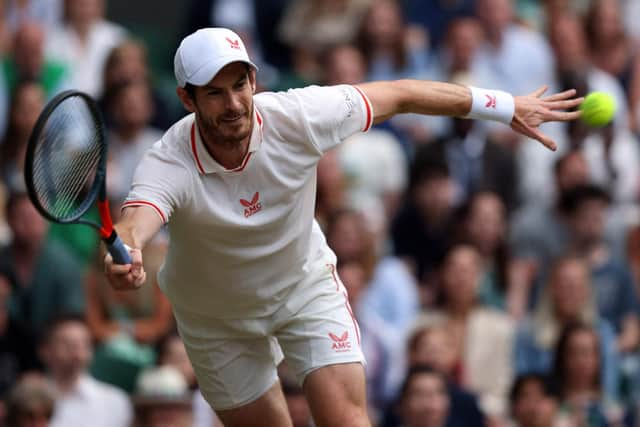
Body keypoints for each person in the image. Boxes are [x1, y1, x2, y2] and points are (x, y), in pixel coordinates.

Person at [104, 27, 582, 427]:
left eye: (240, 85)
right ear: (186, 98)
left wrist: (504, 106)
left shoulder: (298, 116)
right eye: (214, 92)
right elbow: (136, 223)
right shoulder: (168, 160)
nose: (233, 104)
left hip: (302, 287)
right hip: (216, 318)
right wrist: (127, 251)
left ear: (254, 80)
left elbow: (402, 94)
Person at [39, 314, 133, 427]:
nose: (77, 352)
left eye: (84, 344)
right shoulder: (31, 401)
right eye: (67, 344)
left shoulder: (115, 401)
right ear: (45, 351)